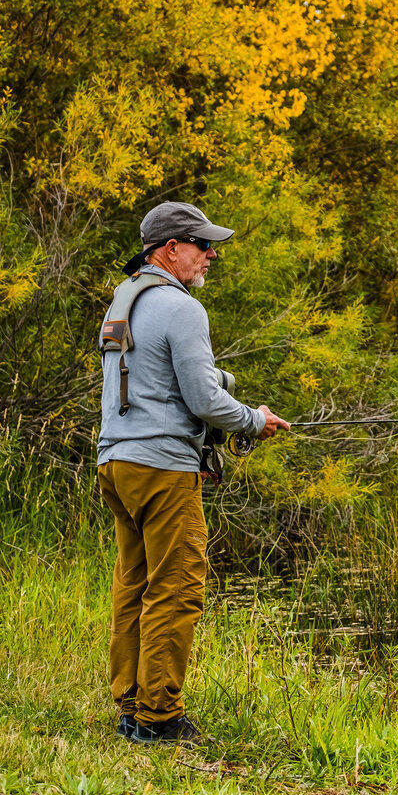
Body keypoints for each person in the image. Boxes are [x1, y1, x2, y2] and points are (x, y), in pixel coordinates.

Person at [95, 201, 289, 744]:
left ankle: (131, 705)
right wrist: (254, 420)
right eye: (201, 244)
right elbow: (204, 399)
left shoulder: (124, 298)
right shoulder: (182, 308)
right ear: (170, 248)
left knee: (134, 586)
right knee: (177, 587)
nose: (211, 254)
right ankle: (160, 716)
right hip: (160, 469)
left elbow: (154, 379)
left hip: (117, 464)